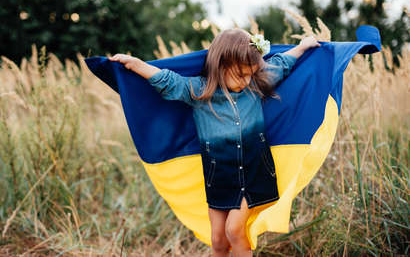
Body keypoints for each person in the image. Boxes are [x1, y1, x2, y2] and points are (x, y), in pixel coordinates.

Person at [108, 28, 320, 257]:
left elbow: (281, 64)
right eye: (241, 75)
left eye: (251, 74)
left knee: (234, 231)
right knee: (218, 240)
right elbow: (169, 82)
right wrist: (136, 64)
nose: (246, 80)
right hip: (219, 177)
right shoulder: (200, 92)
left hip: (253, 172)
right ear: (222, 65)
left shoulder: (255, 86)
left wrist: (302, 47)